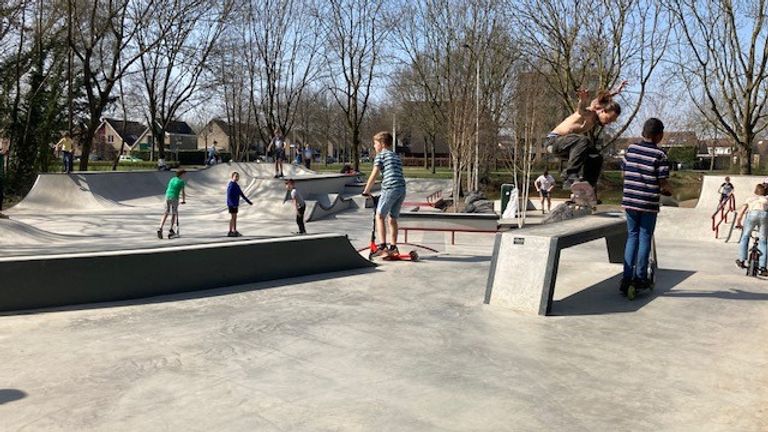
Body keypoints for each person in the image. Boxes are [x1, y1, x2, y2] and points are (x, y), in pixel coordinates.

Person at [620, 118, 671, 295]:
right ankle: (641, 277)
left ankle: (626, 278)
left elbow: (624, 172)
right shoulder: (661, 155)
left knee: (632, 236)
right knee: (644, 237)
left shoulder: (631, 150)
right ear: (659, 135)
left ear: (643, 133)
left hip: (630, 201)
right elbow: (662, 181)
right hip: (648, 202)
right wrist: (667, 191)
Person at [545, 81, 626, 190]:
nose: (609, 122)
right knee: (584, 141)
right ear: (602, 111)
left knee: (596, 157)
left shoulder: (598, 112)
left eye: (612, 121)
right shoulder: (590, 113)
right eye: (609, 119)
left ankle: (587, 186)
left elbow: (603, 99)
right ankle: (569, 175)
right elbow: (581, 109)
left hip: (568, 146)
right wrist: (582, 100)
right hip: (553, 142)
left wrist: (616, 91)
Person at [362, 131, 406, 257]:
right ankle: (393, 247)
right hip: (401, 189)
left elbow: (374, 174)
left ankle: (382, 247)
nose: (374, 147)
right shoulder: (395, 156)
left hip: (390, 188)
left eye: (375, 144)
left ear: (381, 144)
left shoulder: (381, 155)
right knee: (392, 218)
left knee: (380, 215)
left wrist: (366, 190)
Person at [734, 183, 768, 275]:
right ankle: (763, 268)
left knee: (745, 237)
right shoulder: (766, 199)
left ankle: (741, 260)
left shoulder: (750, 199)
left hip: (752, 215)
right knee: (763, 241)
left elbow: (741, 213)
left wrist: (738, 223)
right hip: (764, 215)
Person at [157, 169, 187, 239]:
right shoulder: (181, 181)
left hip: (167, 196)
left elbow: (170, 188)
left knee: (166, 213)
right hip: (174, 198)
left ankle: (160, 228)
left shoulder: (172, 179)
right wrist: (183, 200)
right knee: (174, 213)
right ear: (182, 174)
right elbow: (183, 192)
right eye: (184, 174)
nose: (185, 176)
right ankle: (171, 229)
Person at [227, 171, 252, 237]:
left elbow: (241, 194)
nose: (237, 178)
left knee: (235, 217)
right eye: (235, 176)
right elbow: (229, 195)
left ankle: (234, 230)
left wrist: (248, 201)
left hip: (235, 204)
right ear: (232, 177)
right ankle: (230, 231)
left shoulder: (237, 185)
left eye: (238, 177)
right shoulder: (231, 185)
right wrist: (232, 204)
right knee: (233, 217)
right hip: (232, 204)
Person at [0, 142, 7, 216]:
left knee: (1, 194)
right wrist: (4, 143)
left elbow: (4, 151)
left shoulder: (2, 155)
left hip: (1, 177)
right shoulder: (0, 154)